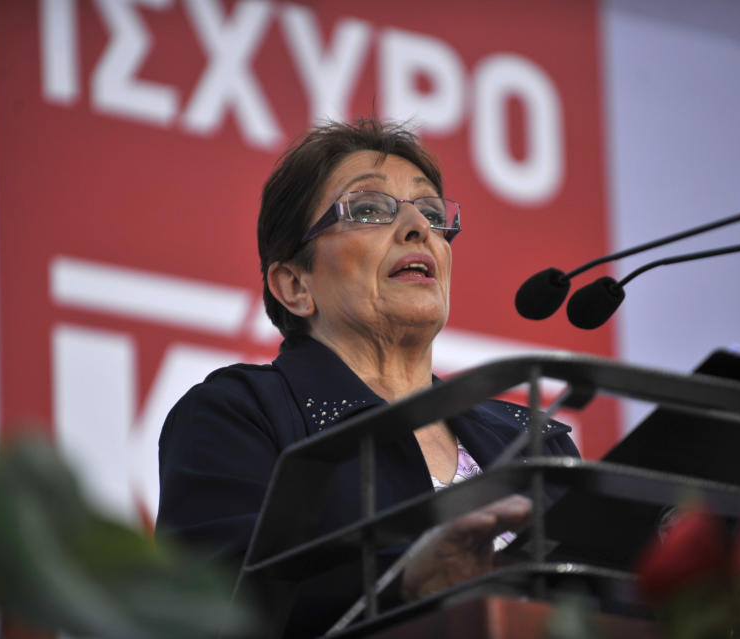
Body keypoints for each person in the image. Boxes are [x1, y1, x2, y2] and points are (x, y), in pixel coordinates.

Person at [155, 118, 578, 636]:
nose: (418, 228)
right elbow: (207, 613)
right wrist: (401, 584)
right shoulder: (241, 415)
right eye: (368, 210)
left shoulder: (532, 438)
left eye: (429, 212)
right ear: (294, 284)